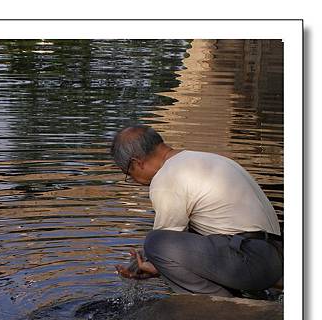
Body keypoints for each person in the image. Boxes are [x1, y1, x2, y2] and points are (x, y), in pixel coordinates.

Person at [110, 124, 283, 298]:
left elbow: (164, 247)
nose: (133, 181)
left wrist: (153, 264)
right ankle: (251, 296)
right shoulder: (206, 159)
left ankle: (222, 305)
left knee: (154, 243)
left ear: (136, 162)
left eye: (128, 174)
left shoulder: (167, 177)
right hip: (275, 256)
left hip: (249, 261)